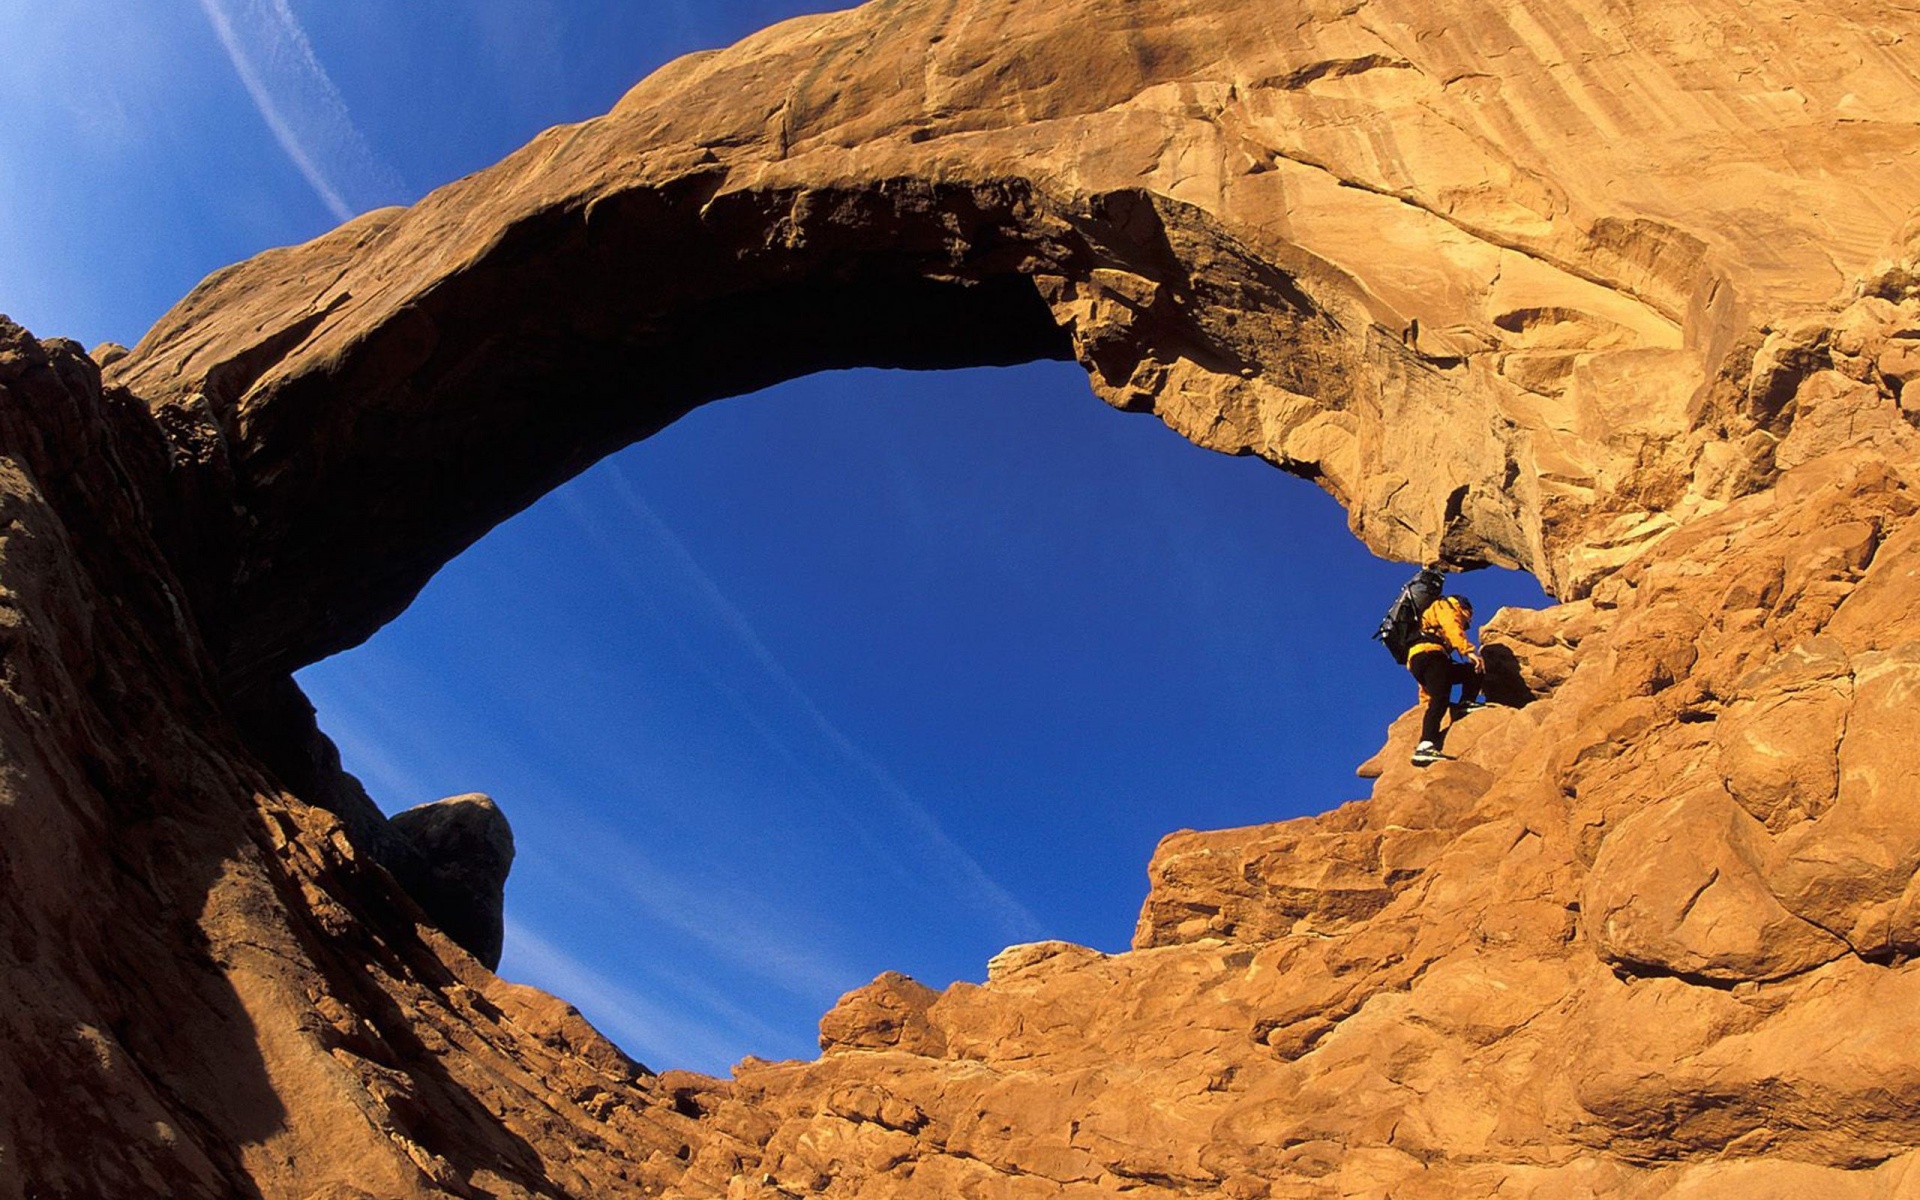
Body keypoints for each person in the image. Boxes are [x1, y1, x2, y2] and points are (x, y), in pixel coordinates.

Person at [1407, 594, 1485, 766]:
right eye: (1467, 620)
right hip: (1431, 655)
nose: (1466, 624)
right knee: (1441, 699)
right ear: (1464, 609)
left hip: (1420, 659)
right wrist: (1468, 651)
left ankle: (1465, 704)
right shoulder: (1446, 607)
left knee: (1470, 671)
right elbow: (1452, 627)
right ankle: (1425, 746)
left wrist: (1424, 699)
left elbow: (1428, 681)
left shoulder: (1431, 616)